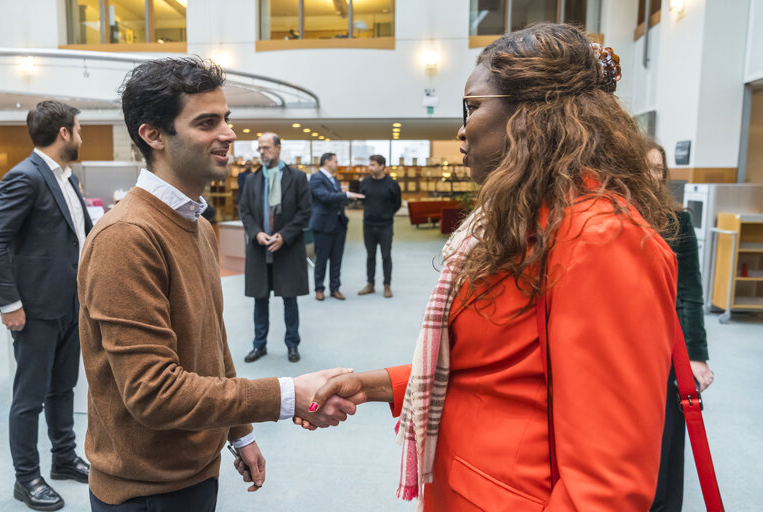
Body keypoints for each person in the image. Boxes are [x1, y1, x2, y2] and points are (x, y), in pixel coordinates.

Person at [299, 24, 683, 511]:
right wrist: (373, 385)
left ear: (534, 115)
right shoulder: (521, 220)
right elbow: (493, 369)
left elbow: (604, 487)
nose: (461, 128)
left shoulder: (601, 239)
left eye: (472, 106)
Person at [77, 57, 355, 511]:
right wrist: (287, 395)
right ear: (153, 135)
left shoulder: (197, 224)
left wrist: (240, 433)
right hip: (145, 489)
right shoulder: (126, 237)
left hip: (192, 470)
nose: (228, 133)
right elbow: (153, 392)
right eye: (207, 122)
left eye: (226, 119)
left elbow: (211, 345)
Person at [0, 100, 92, 511]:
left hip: (70, 304)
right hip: (33, 310)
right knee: (29, 398)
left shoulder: (66, 178)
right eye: (79, 129)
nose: (82, 136)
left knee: (63, 389)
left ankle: (64, 459)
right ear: (64, 134)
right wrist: (9, 304)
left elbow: (75, 236)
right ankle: (26, 477)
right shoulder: (25, 177)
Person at [646, 140, 713, 512]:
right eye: (646, 167)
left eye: (659, 169)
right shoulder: (612, 218)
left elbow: (690, 292)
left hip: (669, 346)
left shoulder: (678, 221)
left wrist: (697, 358)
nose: (653, 175)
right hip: (627, 347)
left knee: (669, 438)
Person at [239, 133, 311, 364]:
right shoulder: (252, 180)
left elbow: (305, 212)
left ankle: (292, 345)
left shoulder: (297, 177)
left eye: (266, 148)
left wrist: (285, 236)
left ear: (279, 148)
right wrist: (256, 233)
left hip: (287, 249)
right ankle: (259, 345)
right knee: (260, 300)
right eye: (259, 149)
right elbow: (245, 211)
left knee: (290, 299)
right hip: (260, 250)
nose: (262, 152)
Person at [308, 152, 364, 301]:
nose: (337, 164)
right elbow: (325, 197)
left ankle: (335, 288)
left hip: (339, 224)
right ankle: (319, 289)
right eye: (335, 161)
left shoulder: (334, 180)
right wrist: (346, 195)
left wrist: (346, 199)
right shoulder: (316, 178)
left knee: (337, 259)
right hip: (323, 225)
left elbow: (337, 199)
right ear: (327, 162)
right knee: (321, 259)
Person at [357, 154, 401, 298]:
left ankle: (387, 285)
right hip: (368, 225)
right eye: (370, 164)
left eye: (373, 164)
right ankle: (370, 284)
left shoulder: (392, 184)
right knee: (370, 255)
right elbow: (362, 200)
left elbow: (397, 204)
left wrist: (386, 214)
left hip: (385, 225)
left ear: (382, 166)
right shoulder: (364, 183)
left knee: (386, 255)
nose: (370, 167)